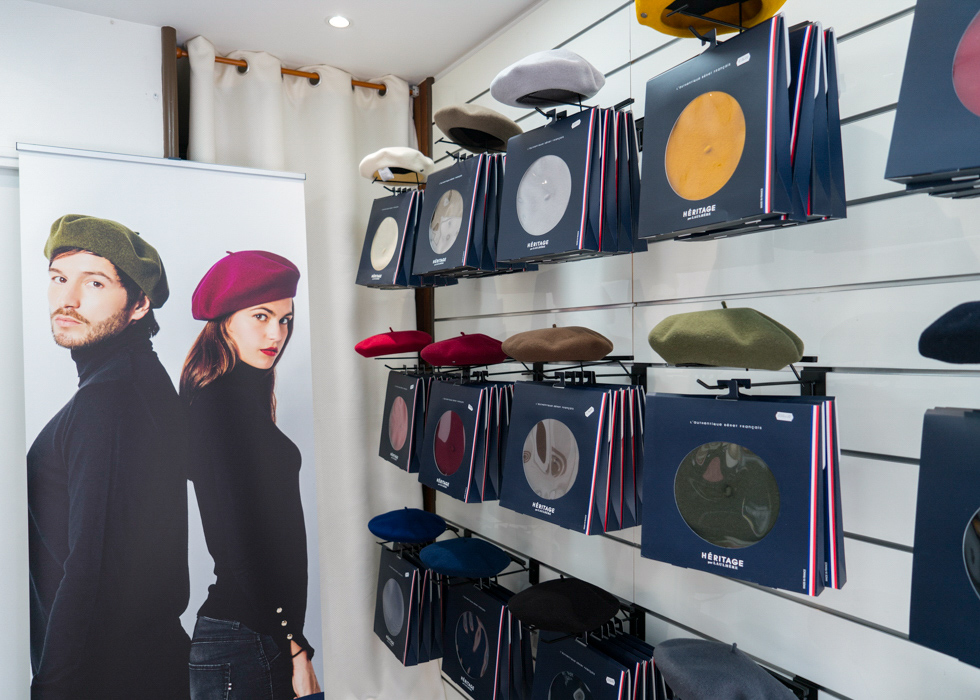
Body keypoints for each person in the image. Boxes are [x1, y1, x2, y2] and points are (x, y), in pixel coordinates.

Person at [28, 214, 191, 699]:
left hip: (107, 678)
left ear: (139, 304)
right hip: (137, 669)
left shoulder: (111, 396)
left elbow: (92, 567)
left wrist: (52, 688)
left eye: (94, 283)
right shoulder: (137, 378)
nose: (68, 299)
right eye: (59, 278)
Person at [180, 250, 320, 700]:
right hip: (245, 640)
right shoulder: (217, 405)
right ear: (224, 321)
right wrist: (294, 646)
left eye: (285, 320)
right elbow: (238, 543)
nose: (276, 333)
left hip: (252, 637)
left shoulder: (242, 397)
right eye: (261, 316)